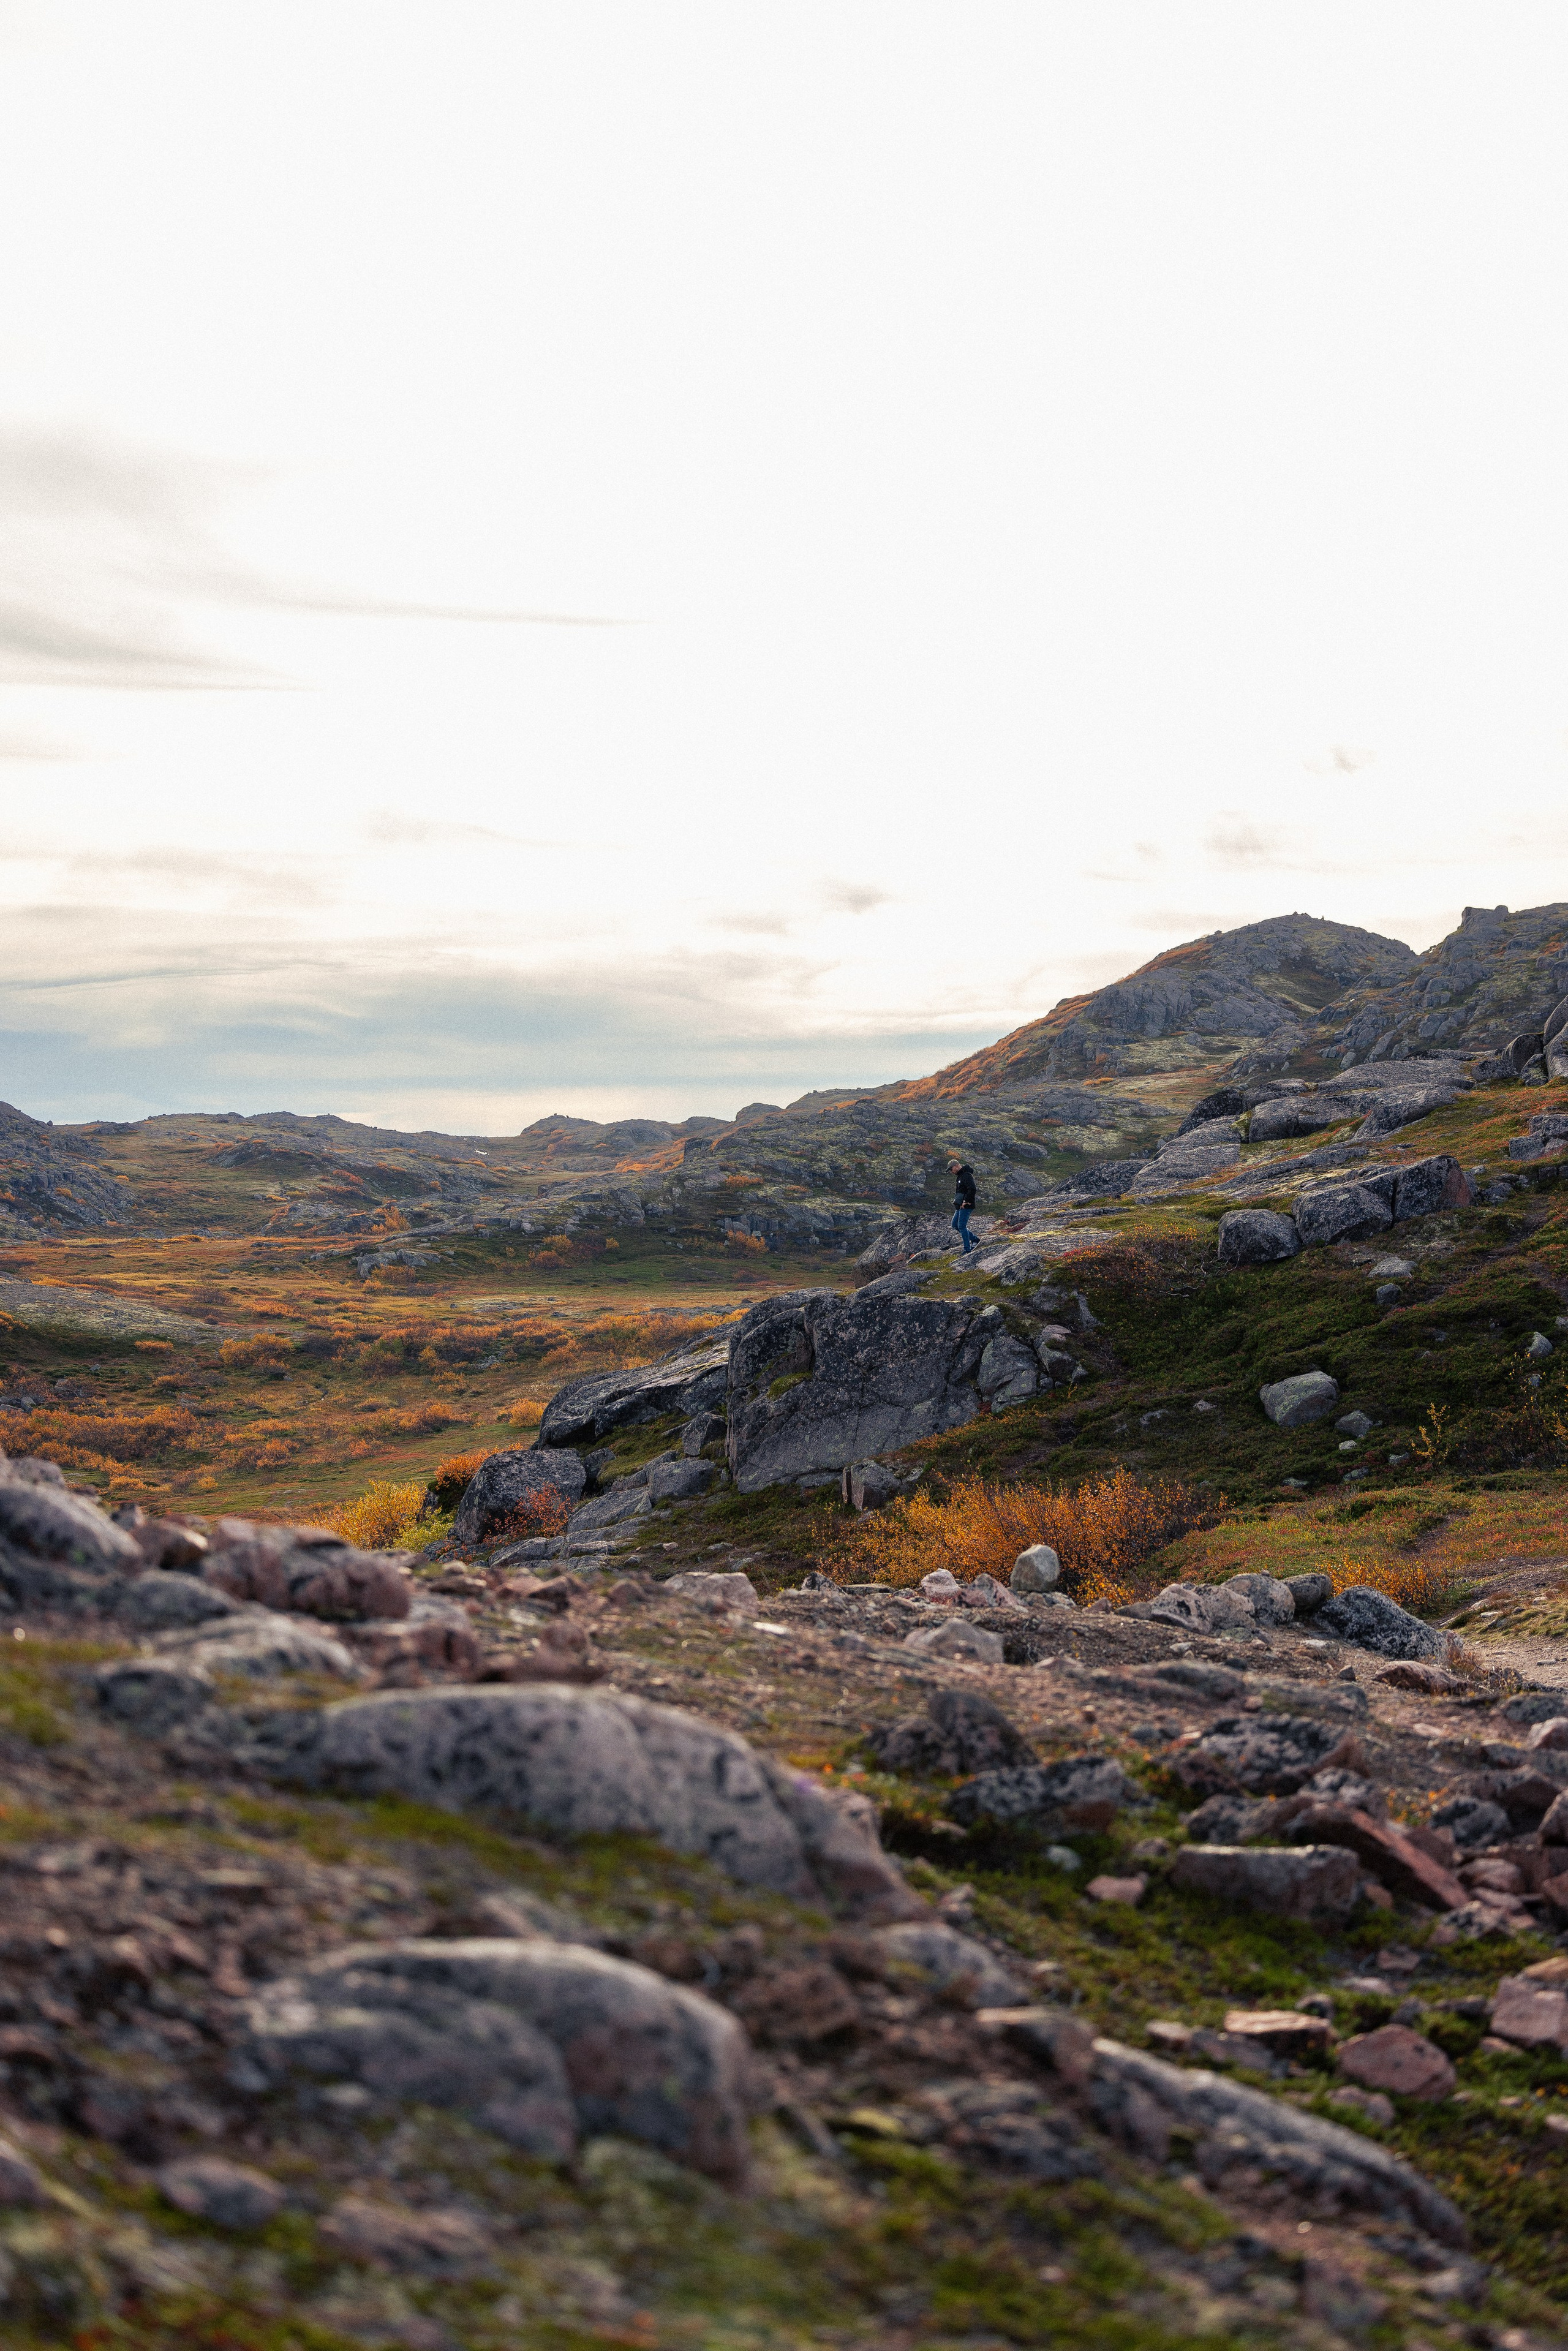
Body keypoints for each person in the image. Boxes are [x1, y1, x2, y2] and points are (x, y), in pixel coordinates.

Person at [950, 1158, 978, 1252]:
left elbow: (972, 1189)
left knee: (961, 1226)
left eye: (951, 1169)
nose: (951, 1171)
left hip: (966, 1205)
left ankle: (967, 1249)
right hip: (960, 1205)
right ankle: (975, 1239)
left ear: (956, 1166)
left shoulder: (966, 1175)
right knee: (955, 1224)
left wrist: (966, 1201)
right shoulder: (960, 1176)